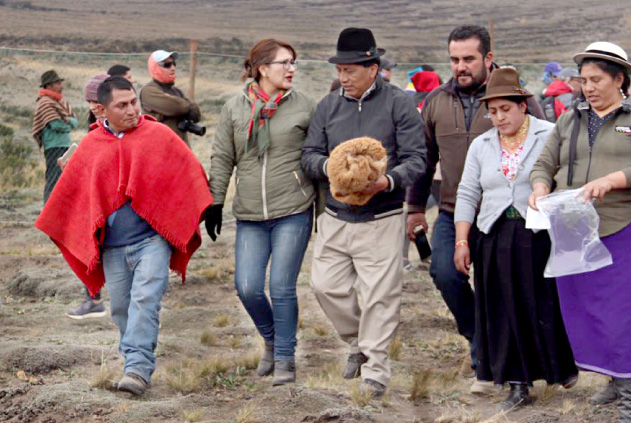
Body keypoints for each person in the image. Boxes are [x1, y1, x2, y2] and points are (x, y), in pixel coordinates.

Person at [529, 42, 631, 423]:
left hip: (626, 228)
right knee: (588, 312)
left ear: (619, 79)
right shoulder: (570, 119)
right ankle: (613, 378)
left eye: (596, 80)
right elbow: (545, 163)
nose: (588, 88)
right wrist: (540, 187)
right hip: (575, 230)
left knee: (626, 317)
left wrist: (613, 180)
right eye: (584, 80)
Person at [35, 76, 213, 396]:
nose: (132, 110)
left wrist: (207, 206)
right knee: (121, 309)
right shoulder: (91, 145)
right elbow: (74, 195)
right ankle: (133, 357)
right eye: (122, 105)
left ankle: (137, 370)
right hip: (113, 248)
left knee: (145, 299)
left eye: (134, 102)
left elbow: (190, 172)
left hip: (152, 240)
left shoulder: (158, 134)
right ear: (102, 110)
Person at [406, 24, 545, 395]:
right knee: (444, 273)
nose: (460, 66)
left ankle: (494, 362)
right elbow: (424, 158)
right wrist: (415, 208)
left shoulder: (515, 98)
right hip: (453, 210)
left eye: (468, 58)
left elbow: (545, 150)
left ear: (488, 57)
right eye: (454, 59)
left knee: (497, 287)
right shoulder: (436, 101)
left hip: (504, 216)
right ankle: (479, 338)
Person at [301, 28, 426, 398]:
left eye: (350, 70)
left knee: (380, 297)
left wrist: (387, 181)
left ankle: (375, 372)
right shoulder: (328, 106)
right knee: (325, 286)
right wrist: (330, 168)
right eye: (340, 70)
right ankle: (358, 342)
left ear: (373, 68)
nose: (343, 77)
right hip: (336, 215)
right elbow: (309, 154)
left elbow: (417, 158)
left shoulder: (399, 104)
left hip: (382, 216)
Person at [453, 68, 578, 411]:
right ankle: (517, 384)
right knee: (501, 307)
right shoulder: (481, 145)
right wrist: (462, 241)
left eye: (505, 109)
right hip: (494, 235)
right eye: (492, 111)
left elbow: (565, 178)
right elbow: (467, 193)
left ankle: (558, 368)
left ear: (523, 106)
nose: (499, 117)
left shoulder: (548, 134)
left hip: (538, 235)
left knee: (542, 303)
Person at [206, 38, 316, 386]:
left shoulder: (305, 106)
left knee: (282, 286)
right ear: (263, 68)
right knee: (247, 287)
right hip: (250, 213)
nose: (292, 69)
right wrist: (215, 201)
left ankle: (284, 357)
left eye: (294, 62)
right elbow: (223, 157)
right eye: (285, 62)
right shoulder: (234, 108)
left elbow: (317, 155)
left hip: (293, 209)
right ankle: (271, 338)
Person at [63, 72, 112, 321]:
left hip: (115, 206)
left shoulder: (120, 127)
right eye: (89, 101)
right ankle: (93, 299)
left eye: (96, 100)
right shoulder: (95, 130)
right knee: (90, 247)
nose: (92, 106)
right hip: (95, 202)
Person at [32, 69, 78, 203]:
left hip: (64, 145)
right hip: (54, 146)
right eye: (58, 83)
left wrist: (68, 122)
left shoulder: (59, 103)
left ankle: (58, 208)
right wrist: (68, 124)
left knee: (63, 179)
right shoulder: (45, 103)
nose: (61, 86)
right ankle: (48, 208)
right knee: (54, 178)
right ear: (49, 85)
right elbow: (56, 125)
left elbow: (75, 122)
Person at [140, 50, 202, 145]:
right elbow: (179, 107)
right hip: (159, 148)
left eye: (174, 64)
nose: (173, 68)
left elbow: (196, 115)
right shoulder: (149, 91)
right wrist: (185, 105)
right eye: (167, 65)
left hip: (181, 147)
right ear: (155, 68)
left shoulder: (176, 91)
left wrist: (179, 104)